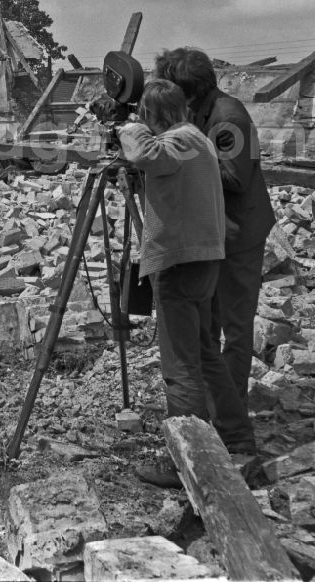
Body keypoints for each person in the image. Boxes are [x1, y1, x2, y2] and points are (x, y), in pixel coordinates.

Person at [118, 79, 256, 487]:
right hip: (204, 260)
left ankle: (191, 460)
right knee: (206, 355)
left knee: (180, 368)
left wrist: (127, 128)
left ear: (154, 116)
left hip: (180, 263)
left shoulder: (177, 142)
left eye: (146, 116)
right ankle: (237, 439)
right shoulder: (198, 137)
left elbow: (145, 152)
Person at [154, 48, 275, 410]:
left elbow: (236, 177)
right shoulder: (195, 110)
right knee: (207, 324)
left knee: (235, 328)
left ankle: (230, 412)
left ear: (188, 92)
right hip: (212, 232)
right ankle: (208, 405)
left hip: (239, 234)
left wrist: (178, 160)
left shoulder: (229, 118)